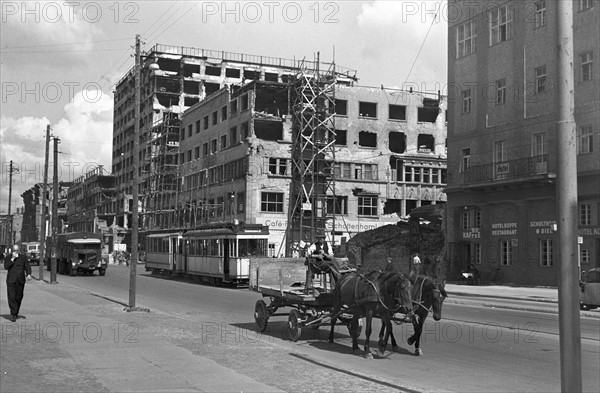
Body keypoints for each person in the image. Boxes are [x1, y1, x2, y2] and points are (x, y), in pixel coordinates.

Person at [4, 244, 32, 322]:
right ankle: (13, 313)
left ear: (18, 250)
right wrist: (12, 259)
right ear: (12, 250)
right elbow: (6, 267)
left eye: (16, 250)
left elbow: (27, 266)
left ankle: (16, 312)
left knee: (18, 297)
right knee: (11, 297)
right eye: (14, 250)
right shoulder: (8, 257)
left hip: (20, 280)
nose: (15, 252)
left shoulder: (23, 258)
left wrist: (29, 274)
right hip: (11, 280)